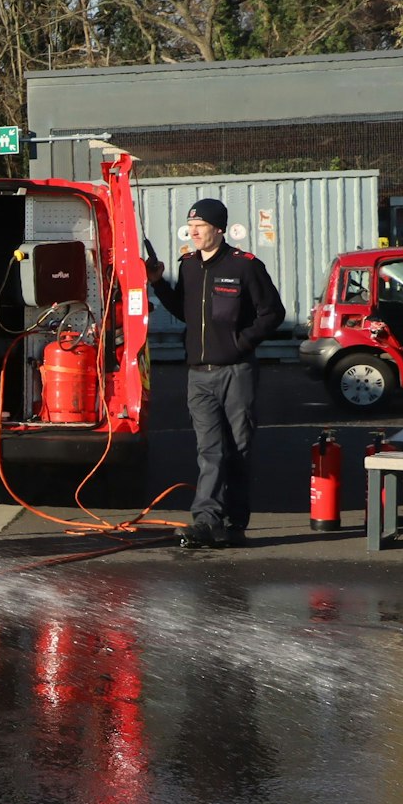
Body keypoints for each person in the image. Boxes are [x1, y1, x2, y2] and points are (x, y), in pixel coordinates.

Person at [144, 198, 285, 549]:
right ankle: (206, 520)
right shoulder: (189, 266)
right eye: (191, 226)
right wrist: (159, 283)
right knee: (209, 450)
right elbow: (185, 311)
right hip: (198, 375)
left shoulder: (245, 266)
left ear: (218, 229)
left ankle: (235, 521)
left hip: (236, 372)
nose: (193, 231)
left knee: (238, 448)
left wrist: (242, 343)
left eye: (201, 226)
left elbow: (273, 313)